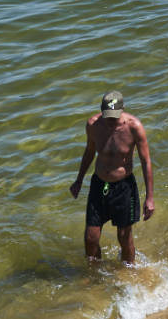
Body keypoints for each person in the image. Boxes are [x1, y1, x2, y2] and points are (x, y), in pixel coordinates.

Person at [70, 91, 155, 264]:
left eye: (114, 117)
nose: (110, 121)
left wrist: (150, 198)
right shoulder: (93, 125)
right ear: (101, 110)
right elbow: (89, 152)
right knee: (90, 238)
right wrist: (79, 180)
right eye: (107, 116)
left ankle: (129, 272)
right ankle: (94, 276)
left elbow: (146, 162)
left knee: (124, 237)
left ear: (122, 110)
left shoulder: (134, 127)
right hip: (99, 184)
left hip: (124, 187)